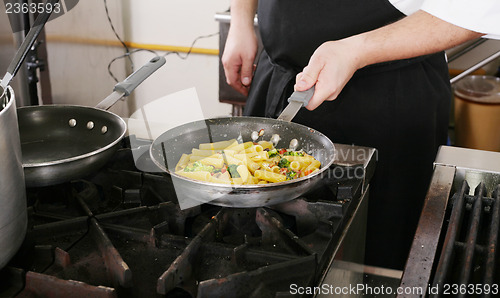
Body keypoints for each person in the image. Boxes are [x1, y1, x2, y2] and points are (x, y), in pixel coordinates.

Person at [222, 0, 500, 270]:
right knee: (256, 251)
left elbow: (478, 7)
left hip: (386, 98)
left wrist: (357, 50)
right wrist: (241, 20)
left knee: (371, 260)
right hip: (277, 76)